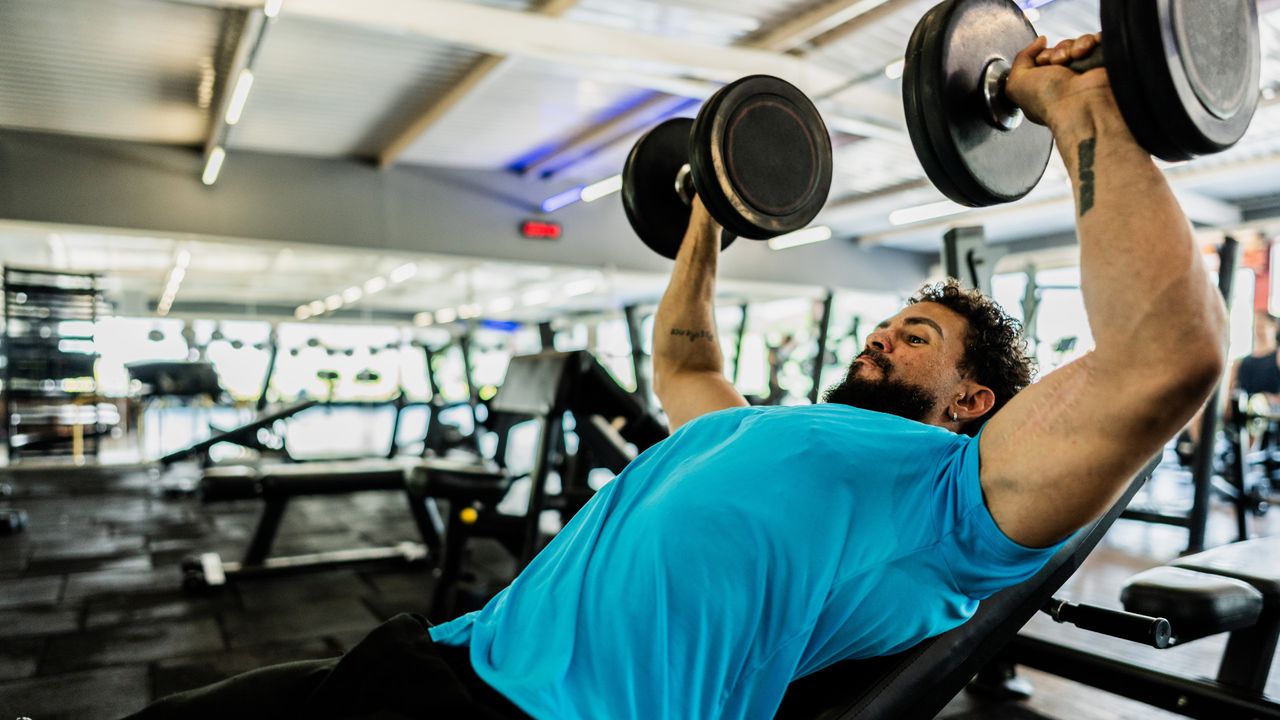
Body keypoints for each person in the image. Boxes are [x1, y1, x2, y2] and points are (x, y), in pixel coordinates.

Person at [127, 33, 1226, 720]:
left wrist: (1087, 115)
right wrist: (708, 216)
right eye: (886, 324)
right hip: (437, 667)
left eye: (916, 339)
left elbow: (1164, 356)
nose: (881, 340)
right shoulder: (750, 428)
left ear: (974, 402)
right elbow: (684, 358)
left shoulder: (958, 493)